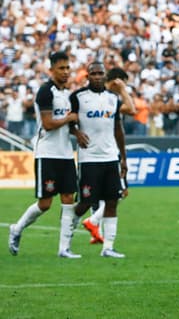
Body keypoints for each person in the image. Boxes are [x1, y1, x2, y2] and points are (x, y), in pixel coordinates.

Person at [8, 52, 80, 258]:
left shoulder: (68, 94)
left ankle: (64, 249)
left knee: (68, 198)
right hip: (47, 153)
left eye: (68, 68)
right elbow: (48, 125)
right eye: (61, 68)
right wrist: (70, 119)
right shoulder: (45, 92)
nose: (66, 72)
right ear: (52, 70)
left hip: (66, 154)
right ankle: (17, 228)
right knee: (45, 203)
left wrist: (77, 132)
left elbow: (68, 123)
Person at [68, 61, 128, 258]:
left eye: (100, 73)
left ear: (105, 76)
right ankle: (66, 240)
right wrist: (76, 132)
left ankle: (108, 247)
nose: (96, 76)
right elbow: (69, 121)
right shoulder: (77, 97)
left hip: (110, 157)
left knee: (112, 201)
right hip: (89, 159)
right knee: (85, 202)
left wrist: (123, 159)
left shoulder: (113, 98)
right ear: (87, 76)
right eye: (93, 73)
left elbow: (118, 129)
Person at [81, 67, 136, 245]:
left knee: (100, 196)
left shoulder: (102, 99)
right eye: (123, 83)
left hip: (100, 151)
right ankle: (93, 222)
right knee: (118, 193)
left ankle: (95, 231)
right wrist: (122, 90)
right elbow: (132, 109)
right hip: (108, 151)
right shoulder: (108, 100)